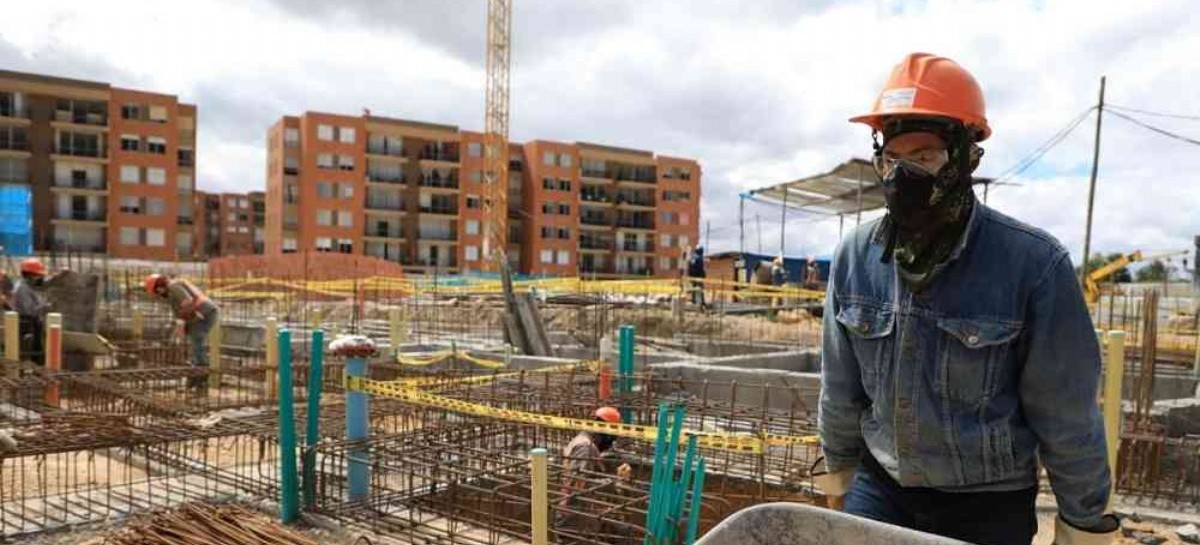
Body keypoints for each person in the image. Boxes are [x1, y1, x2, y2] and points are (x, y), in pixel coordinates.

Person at [816, 53, 1117, 545]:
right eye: (892, 158)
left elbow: (1066, 416)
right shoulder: (855, 257)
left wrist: (1083, 527)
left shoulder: (1033, 266)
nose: (902, 175)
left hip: (986, 503)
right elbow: (840, 388)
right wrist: (838, 480)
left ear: (965, 158)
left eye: (925, 156)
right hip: (882, 486)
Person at [556, 406, 631, 537]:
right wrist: (616, 480)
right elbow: (578, 484)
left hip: (578, 512)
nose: (611, 442)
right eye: (611, 438)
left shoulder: (583, 440)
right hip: (576, 517)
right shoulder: (586, 447)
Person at [145, 274, 219, 389]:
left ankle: (201, 376)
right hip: (197, 315)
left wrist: (181, 323)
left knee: (197, 341)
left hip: (204, 313)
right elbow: (181, 311)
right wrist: (179, 327)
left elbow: (187, 302)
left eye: (157, 292)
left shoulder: (174, 287)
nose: (158, 295)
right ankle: (196, 373)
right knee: (194, 342)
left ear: (159, 288)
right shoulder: (171, 291)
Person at [10, 258, 50, 363]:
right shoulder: (22, 289)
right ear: (29, 275)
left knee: (39, 353)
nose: (40, 278)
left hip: (34, 324)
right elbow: (29, 310)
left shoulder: (30, 287)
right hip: (26, 325)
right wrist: (45, 307)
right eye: (38, 275)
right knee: (31, 354)